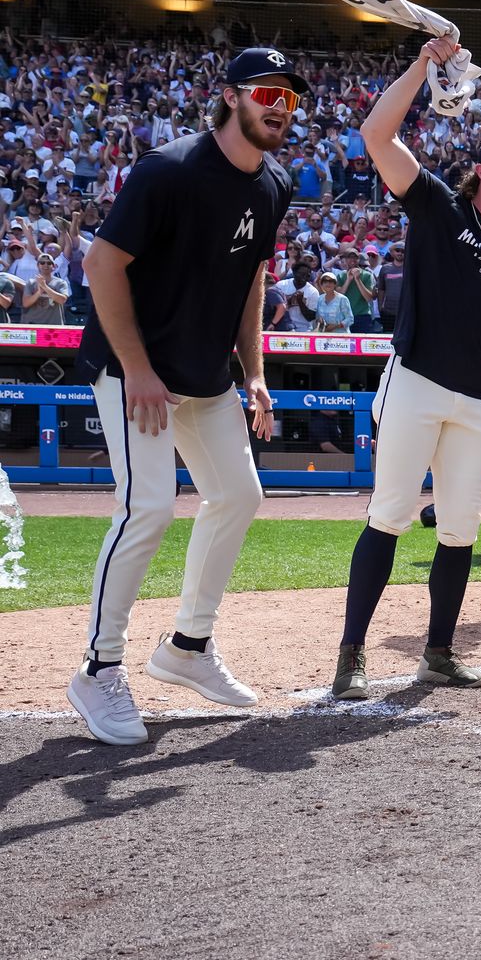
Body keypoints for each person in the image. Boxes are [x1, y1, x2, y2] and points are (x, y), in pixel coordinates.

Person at [69, 46, 299, 744]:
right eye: (266, 91)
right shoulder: (167, 170)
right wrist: (137, 369)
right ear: (229, 96)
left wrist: (254, 370)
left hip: (207, 374)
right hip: (136, 368)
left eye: (289, 97)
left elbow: (252, 279)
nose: (279, 105)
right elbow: (101, 263)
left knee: (239, 495)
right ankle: (98, 669)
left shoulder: (275, 184)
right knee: (148, 506)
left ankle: (187, 648)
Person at [332, 34, 481, 700]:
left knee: (461, 529)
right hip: (416, 382)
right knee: (390, 515)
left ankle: (437, 653)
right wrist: (423, 64)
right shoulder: (438, 206)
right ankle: (351, 654)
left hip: (476, 402)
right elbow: (377, 136)